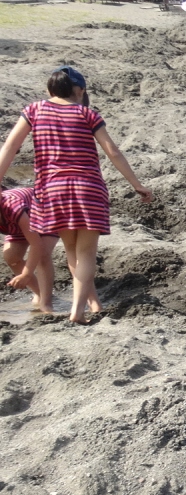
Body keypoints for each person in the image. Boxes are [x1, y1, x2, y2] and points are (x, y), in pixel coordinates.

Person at [0, 66, 154, 323]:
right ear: (80, 91)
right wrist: (136, 184)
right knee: (86, 253)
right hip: (88, 189)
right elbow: (112, 151)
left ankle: (86, 308)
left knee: (71, 250)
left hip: (52, 191)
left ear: (50, 89)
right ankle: (77, 311)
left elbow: (10, 146)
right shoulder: (87, 114)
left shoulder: (34, 110)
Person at [0, 187, 53, 312]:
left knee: (42, 256)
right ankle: (40, 293)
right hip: (15, 225)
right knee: (11, 256)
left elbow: (36, 245)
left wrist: (26, 274)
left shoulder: (13, 207)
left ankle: (47, 302)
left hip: (42, 213)